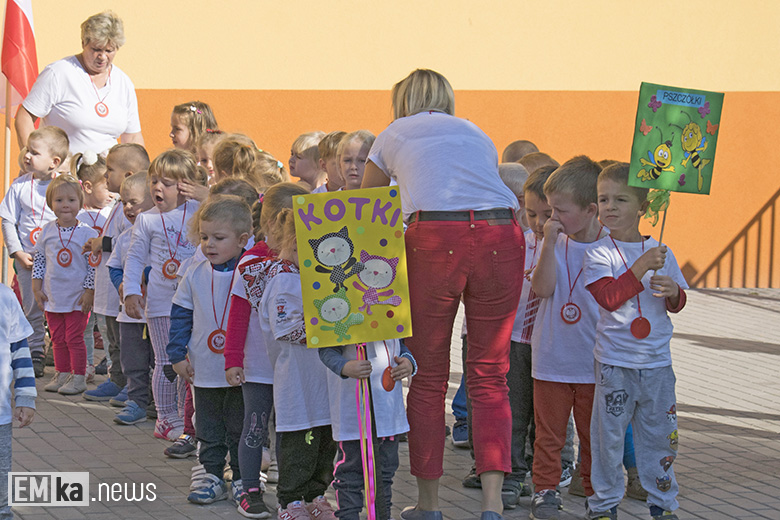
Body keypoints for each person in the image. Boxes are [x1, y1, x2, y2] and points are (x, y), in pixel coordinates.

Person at [361, 68, 525, 520]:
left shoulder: (394, 133)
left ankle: (429, 505)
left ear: (402, 101)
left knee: (428, 376)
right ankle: (492, 504)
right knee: (491, 373)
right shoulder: (476, 132)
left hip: (434, 237)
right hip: (501, 232)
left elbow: (364, 207)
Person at [583, 162, 687, 520]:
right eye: (603, 199)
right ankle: (604, 504)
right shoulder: (598, 253)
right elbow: (609, 298)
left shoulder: (661, 251)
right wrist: (641, 266)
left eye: (621, 199)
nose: (609, 207)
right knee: (608, 439)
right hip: (615, 364)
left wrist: (673, 291)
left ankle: (663, 503)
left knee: (660, 437)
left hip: (657, 364)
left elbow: (677, 303)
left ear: (643, 208)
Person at [254, 183, 338, 520]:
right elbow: (287, 329)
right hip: (298, 384)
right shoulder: (285, 278)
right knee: (297, 445)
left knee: (324, 443)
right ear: (294, 245)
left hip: (324, 381)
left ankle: (316, 495)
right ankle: (290, 501)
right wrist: (335, 327)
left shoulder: (320, 276)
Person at [529, 156, 606, 519]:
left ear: (591, 210)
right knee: (548, 436)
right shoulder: (555, 243)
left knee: (595, 438)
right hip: (552, 359)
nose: (551, 220)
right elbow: (542, 288)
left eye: (560, 211)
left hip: (594, 362)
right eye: (548, 212)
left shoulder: (614, 248)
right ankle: (545, 491)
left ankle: (595, 493)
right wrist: (547, 243)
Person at [225, 183, 306, 519]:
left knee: (293, 428)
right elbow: (238, 312)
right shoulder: (251, 262)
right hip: (259, 363)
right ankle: (249, 488)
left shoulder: (308, 256)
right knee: (255, 425)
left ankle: (297, 491)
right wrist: (232, 359)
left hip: (295, 364)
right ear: (273, 224)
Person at [167, 195, 252, 505]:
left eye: (219, 238)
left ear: (243, 239)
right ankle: (211, 475)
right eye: (204, 237)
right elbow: (179, 314)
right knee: (209, 427)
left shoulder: (252, 271)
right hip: (204, 367)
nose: (209, 244)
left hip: (244, 370)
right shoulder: (195, 272)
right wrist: (177, 354)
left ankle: (245, 478)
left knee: (240, 427)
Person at [123, 149, 206, 440]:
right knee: (166, 362)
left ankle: (188, 419)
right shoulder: (146, 220)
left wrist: (204, 194)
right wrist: (131, 291)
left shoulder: (198, 211)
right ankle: (165, 418)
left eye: (167, 182)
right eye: (154, 181)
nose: (158, 187)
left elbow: (226, 210)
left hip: (192, 302)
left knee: (189, 361)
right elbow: (134, 258)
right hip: (159, 303)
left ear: (184, 186)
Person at [15, 11, 143, 154]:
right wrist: (33, 159)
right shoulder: (59, 73)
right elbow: (24, 117)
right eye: (96, 49)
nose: (102, 57)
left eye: (109, 51)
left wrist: (141, 172)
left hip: (107, 173)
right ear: (83, 43)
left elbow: (132, 137)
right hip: (63, 172)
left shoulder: (124, 83)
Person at [319, 337, 416, 520]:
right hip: (353, 416)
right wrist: (344, 366)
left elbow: (400, 344)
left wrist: (408, 361)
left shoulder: (391, 310)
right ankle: (348, 516)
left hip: (387, 417)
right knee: (350, 475)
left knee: (384, 474)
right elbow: (326, 348)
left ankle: (382, 516)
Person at [0, 127, 69, 377]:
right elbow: (7, 220)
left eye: (34, 152)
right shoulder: (19, 186)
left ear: (55, 162)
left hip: (59, 261)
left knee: (60, 305)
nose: (27, 155)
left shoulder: (65, 187)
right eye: (27, 150)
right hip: (27, 259)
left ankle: (63, 351)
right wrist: (16, 252)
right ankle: (35, 351)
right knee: (32, 307)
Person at [32, 174, 98, 395]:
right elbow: (40, 260)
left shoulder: (88, 233)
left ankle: (78, 377)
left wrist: (89, 291)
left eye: (71, 200)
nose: (65, 205)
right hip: (53, 296)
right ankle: (61, 373)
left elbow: (93, 265)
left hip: (77, 298)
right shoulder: (47, 231)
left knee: (74, 338)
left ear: (80, 202)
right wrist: (36, 288)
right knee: (57, 338)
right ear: (51, 203)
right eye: (59, 200)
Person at [106, 172, 155, 425]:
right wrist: (121, 285)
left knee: (159, 361)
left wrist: (147, 275)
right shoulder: (125, 238)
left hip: (156, 313)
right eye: (124, 202)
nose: (127, 207)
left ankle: (159, 404)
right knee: (133, 360)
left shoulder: (161, 235)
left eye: (134, 201)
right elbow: (114, 267)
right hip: (130, 315)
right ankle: (136, 401)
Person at [72, 151, 113, 383]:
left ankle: (110, 370)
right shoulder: (77, 216)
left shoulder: (112, 212)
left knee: (107, 329)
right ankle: (85, 366)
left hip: (105, 280)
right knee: (84, 327)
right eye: (105, 186)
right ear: (87, 186)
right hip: (83, 283)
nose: (111, 193)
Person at [0, 283, 36, 520]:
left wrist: (25, 396)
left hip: (0, 416)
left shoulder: (5, 296)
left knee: (2, 482)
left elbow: (20, 351)